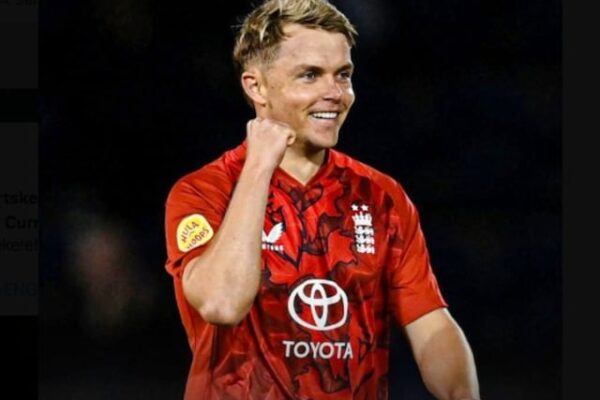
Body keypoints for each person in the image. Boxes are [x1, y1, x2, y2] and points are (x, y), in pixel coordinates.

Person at [164, 0, 480, 399]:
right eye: (310, 75)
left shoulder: (381, 196)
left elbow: (431, 323)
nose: (335, 93)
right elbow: (221, 304)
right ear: (256, 87)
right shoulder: (203, 191)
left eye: (343, 75)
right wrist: (259, 166)